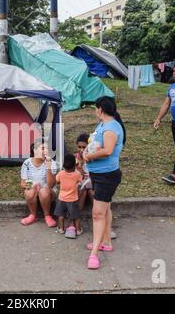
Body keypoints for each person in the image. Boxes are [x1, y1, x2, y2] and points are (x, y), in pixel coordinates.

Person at [82, 96, 126, 270]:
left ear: (100, 109)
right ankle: (105, 241)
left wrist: (88, 156)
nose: (95, 111)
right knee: (105, 208)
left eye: (95, 108)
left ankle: (94, 254)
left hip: (107, 176)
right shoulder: (102, 125)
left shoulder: (111, 128)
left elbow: (107, 151)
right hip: (98, 174)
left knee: (97, 214)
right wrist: (87, 150)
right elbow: (94, 144)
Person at [20, 138, 57, 228]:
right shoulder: (27, 163)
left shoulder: (51, 162)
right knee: (29, 191)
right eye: (43, 148)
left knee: (44, 191)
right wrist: (32, 186)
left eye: (47, 148)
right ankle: (32, 215)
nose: (46, 151)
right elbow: (22, 183)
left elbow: (51, 184)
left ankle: (47, 216)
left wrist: (48, 167)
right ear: (35, 150)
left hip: (49, 191)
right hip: (34, 190)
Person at [54, 154, 83, 239]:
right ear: (75, 165)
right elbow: (81, 180)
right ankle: (78, 230)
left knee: (61, 215)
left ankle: (61, 228)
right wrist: (79, 167)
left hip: (61, 198)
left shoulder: (61, 173)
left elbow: (56, 181)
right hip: (73, 199)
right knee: (76, 216)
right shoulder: (77, 174)